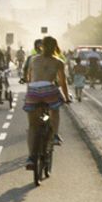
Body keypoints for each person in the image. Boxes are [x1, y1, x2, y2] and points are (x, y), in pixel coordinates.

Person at [23, 36, 70, 170]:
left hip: (33, 92)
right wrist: (66, 98)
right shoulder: (58, 62)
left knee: (32, 126)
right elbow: (62, 82)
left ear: (41, 46)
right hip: (49, 90)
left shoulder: (33, 59)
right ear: (56, 47)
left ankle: (31, 158)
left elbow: (28, 78)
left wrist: (30, 91)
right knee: (55, 110)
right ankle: (55, 135)